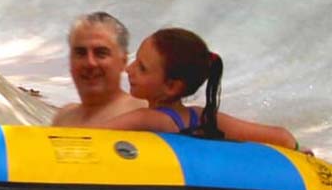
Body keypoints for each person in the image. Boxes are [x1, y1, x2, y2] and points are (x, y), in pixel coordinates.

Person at [100, 27, 307, 151]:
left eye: (142, 68)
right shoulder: (202, 117)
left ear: (172, 86)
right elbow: (281, 136)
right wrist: (300, 151)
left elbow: (88, 136)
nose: (129, 69)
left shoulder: (144, 119)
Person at [52, 12, 146, 127]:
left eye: (101, 53)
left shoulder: (145, 115)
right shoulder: (63, 118)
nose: (90, 63)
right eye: (81, 53)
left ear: (123, 61)